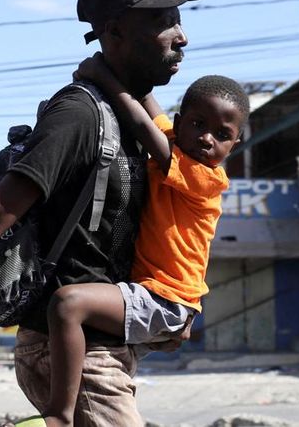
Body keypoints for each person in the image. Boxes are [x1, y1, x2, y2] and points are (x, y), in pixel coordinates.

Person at [0, 0, 208, 426]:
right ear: (114, 33)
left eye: (179, 19)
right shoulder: (79, 115)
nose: (181, 36)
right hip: (75, 356)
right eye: (162, 21)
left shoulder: (138, 121)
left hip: (102, 348)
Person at [29, 60, 249, 426]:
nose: (208, 138)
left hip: (167, 299)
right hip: (154, 293)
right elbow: (150, 105)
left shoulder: (206, 177)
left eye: (222, 135)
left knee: (69, 305)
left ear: (234, 144)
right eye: (198, 125)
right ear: (180, 124)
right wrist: (121, 68)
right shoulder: (178, 144)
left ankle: (60, 414)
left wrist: (102, 75)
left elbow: (144, 125)